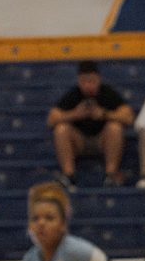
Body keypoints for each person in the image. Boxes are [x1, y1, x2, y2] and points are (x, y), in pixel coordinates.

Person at [49, 60, 134, 190]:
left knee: (115, 127)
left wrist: (104, 114)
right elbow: (51, 119)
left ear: (98, 80)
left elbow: (128, 117)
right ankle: (69, 175)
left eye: (92, 81)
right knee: (61, 129)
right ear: (79, 81)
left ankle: (110, 174)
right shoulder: (73, 95)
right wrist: (74, 114)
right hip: (79, 142)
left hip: (102, 141)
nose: (88, 85)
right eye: (84, 81)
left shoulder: (107, 93)